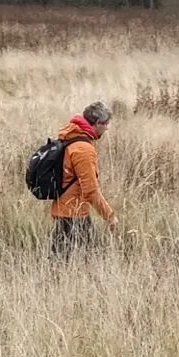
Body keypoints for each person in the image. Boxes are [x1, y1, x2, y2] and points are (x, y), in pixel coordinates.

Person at [50, 100, 117, 257]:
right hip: (75, 213)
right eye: (106, 124)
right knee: (90, 260)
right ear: (97, 123)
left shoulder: (71, 136)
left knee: (59, 260)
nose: (107, 128)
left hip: (62, 209)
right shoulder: (83, 149)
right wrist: (110, 216)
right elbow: (90, 191)